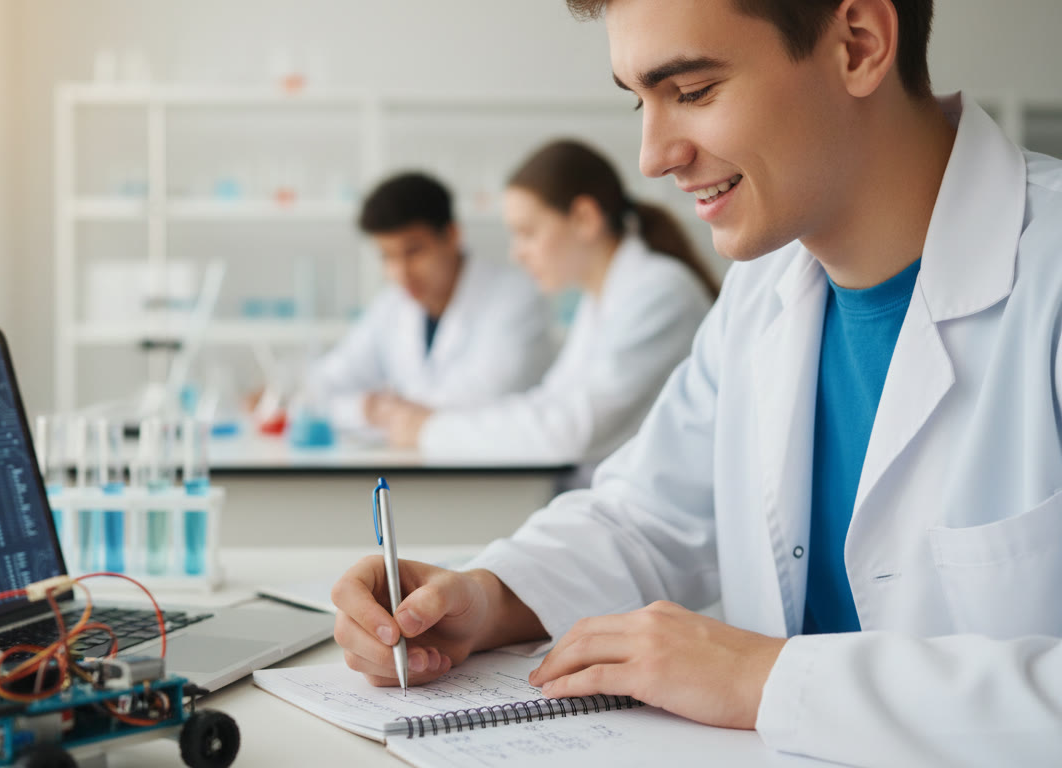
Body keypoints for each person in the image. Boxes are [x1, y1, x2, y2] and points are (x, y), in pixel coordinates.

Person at [330, 0, 1062, 765]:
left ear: (858, 44)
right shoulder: (763, 288)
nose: (651, 157)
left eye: (693, 90)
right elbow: (647, 514)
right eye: (637, 99)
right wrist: (484, 597)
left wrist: (763, 677)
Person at [367, 140, 715, 482]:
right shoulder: (603, 299)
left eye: (527, 233)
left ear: (583, 218)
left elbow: (569, 431)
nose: (517, 253)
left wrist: (430, 431)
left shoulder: (659, 293)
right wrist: (433, 422)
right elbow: (548, 403)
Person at [299, 171, 552, 431]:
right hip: (411, 462)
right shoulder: (391, 305)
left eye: (414, 251)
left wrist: (389, 411)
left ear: (452, 236)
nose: (401, 272)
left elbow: (488, 398)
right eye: (387, 256)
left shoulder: (514, 297)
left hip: (497, 467)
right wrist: (366, 409)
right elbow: (322, 386)